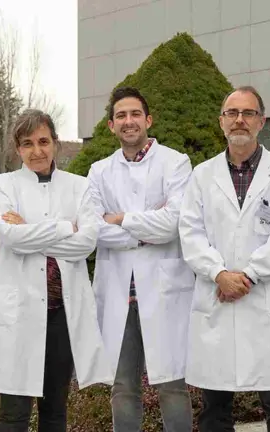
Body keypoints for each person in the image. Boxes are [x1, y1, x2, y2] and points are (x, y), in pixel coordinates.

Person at [0, 109, 113, 431]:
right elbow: (11, 237)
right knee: (13, 415)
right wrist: (66, 226)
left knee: (54, 412)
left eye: (43, 141)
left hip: (61, 314)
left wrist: (31, 231)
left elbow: (86, 243)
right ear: (17, 148)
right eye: (27, 144)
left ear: (55, 143)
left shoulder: (80, 187)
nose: (37, 151)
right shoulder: (4, 185)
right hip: (19, 312)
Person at [179, 86, 270, 432]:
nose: (239, 120)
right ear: (221, 122)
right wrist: (219, 273)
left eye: (248, 113)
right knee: (214, 409)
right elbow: (190, 233)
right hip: (217, 299)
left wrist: (246, 276)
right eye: (232, 113)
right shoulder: (202, 175)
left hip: (263, 300)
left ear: (261, 121)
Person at [87, 87, 195, 431]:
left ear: (148, 120)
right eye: (121, 115)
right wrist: (148, 221)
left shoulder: (176, 163)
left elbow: (174, 223)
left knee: (172, 385)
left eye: (135, 114)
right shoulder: (98, 171)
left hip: (164, 290)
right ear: (111, 125)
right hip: (119, 291)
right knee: (122, 387)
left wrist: (119, 218)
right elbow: (91, 229)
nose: (128, 121)